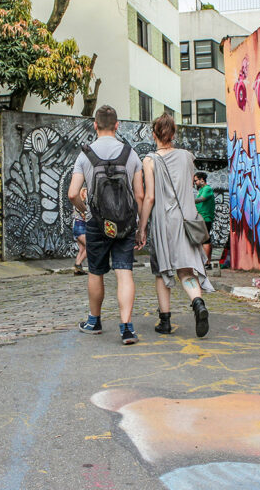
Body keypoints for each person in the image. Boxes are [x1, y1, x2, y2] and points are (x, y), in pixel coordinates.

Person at [68, 105, 144, 345]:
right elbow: (140, 195)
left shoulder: (85, 155)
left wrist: (86, 211)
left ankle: (94, 321)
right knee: (124, 272)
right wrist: (141, 226)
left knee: (96, 272)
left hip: (96, 223)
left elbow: (72, 194)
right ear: (117, 125)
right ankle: (127, 328)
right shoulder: (130, 153)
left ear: (95, 125)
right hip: (125, 223)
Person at [137, 113, 214, 337]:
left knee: (162, 271)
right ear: (174, 134)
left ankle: (165, 321)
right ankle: (198, 303)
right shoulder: (188, 156)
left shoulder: (149, 160)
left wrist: (142, 227)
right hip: (187, 219)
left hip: (164, 221)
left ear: (154, 135)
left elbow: (150, 197)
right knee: (186, 269)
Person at [193, 172, 215, 268]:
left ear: (202, 179)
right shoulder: (201, 189)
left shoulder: (207, 189)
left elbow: (202, 199)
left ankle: (207, 263)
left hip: (205, 218)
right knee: (202, 240)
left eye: (196, 180)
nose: (195, 183)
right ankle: (203, 262)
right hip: (200, 217)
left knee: (206, 240)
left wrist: (189, 200)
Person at [72, 187, 88, 275]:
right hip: (80, 226)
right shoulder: (81, 204)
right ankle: (77, 264)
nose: (87, 194)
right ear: (81, 193)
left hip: (79, 226)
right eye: (85, 193)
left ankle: (77, 270)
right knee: (90, 247)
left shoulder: (80, 203)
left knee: (82, 249)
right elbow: (85, 216)